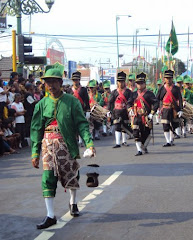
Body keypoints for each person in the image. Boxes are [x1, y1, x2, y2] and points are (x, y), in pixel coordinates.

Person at [30, 63, 95, 229]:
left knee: (72, 174)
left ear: (60, 82)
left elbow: (81, 124)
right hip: (47, 146)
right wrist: (34, 153)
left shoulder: (72, 102)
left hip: (67, 144)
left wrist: (89, 143)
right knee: (47, 178)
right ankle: (50, 215)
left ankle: (73, 203)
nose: (51, 85)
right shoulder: (41, 104)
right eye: (47, 82)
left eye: (54, 81)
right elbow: (36, 129)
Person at [128, 72, 159, 156]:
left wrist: (152, 113)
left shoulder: (149, 94)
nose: (140, 85)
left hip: (146, 117)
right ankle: (139, 150)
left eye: (141, 83)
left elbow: (156, 103)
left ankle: (143, 146)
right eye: (138, 83)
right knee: (135, 132)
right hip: (136, 116)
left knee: (146, 133)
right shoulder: (134, 94)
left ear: (144, 84)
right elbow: (129, 102)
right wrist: (130, 109)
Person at [156, 69, 183, 147]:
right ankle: (168, 141)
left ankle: (172, 139)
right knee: (165, 125)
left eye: (170, 78)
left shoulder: (176, 88)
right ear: (164, 78)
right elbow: (157, 99)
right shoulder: (161, 88)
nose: (168, 80)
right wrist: (157, 108)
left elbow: (180, 99)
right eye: (167, 78)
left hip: (174, 109)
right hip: (165, 108)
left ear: (172, 78)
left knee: (174, 124)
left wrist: (180, 109)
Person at [108, 71, 133, 148]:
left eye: (122, 81)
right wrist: (109, 111)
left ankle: (124, 141)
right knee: (117, 126)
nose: (121, 83)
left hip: (125, 111)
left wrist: (130, 109)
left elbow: (130, 100)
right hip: (116, 112)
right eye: (119, 81)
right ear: (117, 82)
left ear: (124, 82)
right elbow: (110, 102)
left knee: (124, 126)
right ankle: (118, 143)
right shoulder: (114, 92)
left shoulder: (128, 92)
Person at [71, 71, 90, 146]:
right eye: (74, 80)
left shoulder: (83, 90)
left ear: (79, 80)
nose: (75, 82)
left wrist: (88, 110)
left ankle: (80, 140)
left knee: (80, 125)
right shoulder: (70, 90)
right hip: (72, 110)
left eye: (77, 80)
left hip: (81, 109)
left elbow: (86, 100)